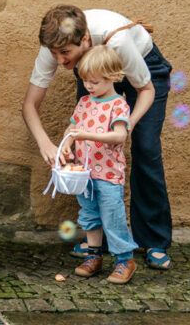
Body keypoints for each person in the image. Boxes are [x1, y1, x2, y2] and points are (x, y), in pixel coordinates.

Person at [21, 5, 172, 270]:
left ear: (85, 40)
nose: (59, 61)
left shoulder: (118, 40)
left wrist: (128, 126)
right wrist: (46, 143)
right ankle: (98, 243)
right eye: (54, 54)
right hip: (93, 70)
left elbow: (146, 89)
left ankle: (153, 240)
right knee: (87, 151)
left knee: (146, 148)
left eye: (66, 53)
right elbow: (30, 105)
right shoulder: (55, 46)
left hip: (145, 70)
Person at [59, 46, 138, 284]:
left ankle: (125, 259)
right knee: (89, 215)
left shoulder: (118, 105)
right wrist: (67, 142)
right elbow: (72, 129)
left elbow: (119, 136)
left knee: (112, 216)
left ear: (113, 77)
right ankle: (94, 256)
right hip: (84, 173)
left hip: (109, 174)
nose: (89, 86)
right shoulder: (84, 102)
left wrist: (87, 136)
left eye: (94, 81)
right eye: (85, 81)